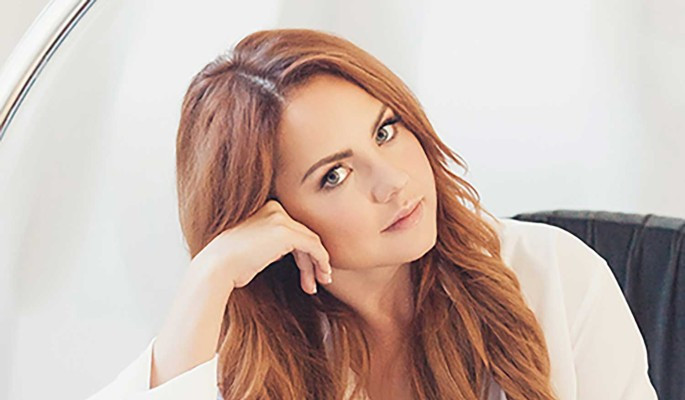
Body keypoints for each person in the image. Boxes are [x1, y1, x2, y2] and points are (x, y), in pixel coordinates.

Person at [86, 28, 658, 400]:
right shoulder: (242, 351)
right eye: (334, 175)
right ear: (265, 216)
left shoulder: (556, 275)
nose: (393, 182)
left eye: (386, 131)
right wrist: (208, 278)